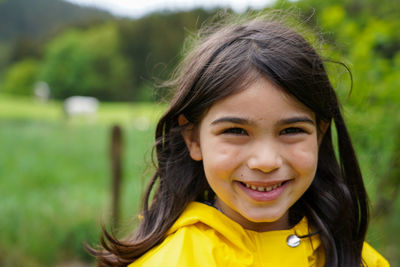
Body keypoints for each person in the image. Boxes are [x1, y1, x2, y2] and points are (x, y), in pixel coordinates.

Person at [89, 12, 390, 267]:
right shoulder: (172, 260)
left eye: (291, 131)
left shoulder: (358, 258)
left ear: (320, 133)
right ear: (194, 139)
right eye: (236, 131)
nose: (266, 162)